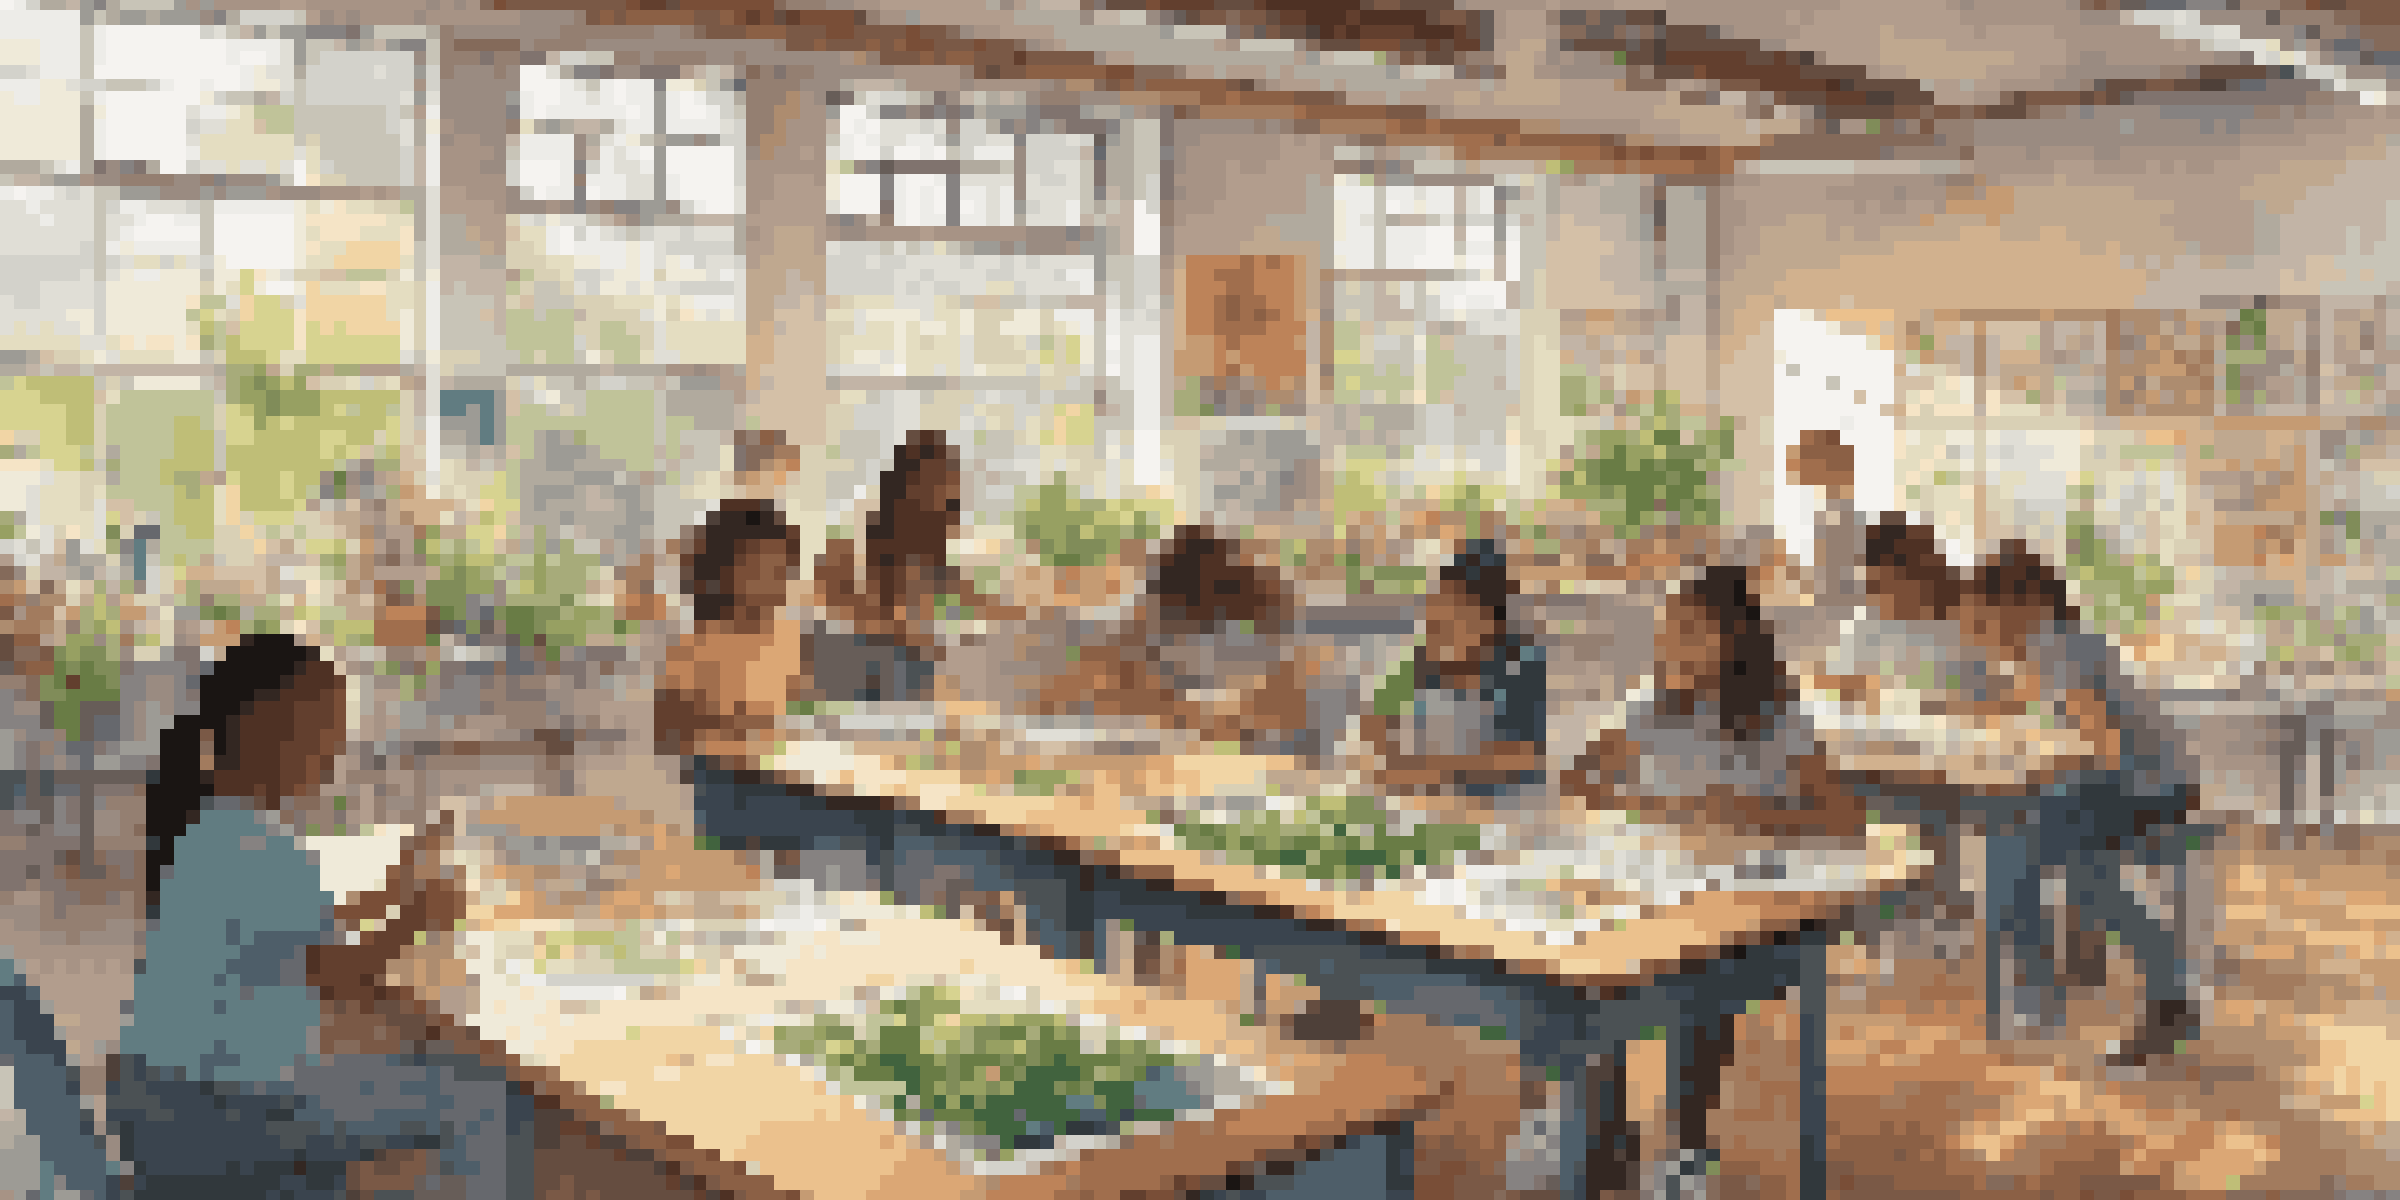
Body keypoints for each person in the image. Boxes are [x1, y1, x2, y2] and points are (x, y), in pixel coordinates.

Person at [112, 633, 531, 1200]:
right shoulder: (267, 849)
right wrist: (414, 919)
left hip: (154, 1114)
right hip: (224, 1125)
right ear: (268, 729)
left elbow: (285, 932)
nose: (334, 751)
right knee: (483, 1100)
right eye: (324, 729)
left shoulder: (208, 827)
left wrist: (394, 891)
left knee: (387, 1062)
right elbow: (345, 981)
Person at [1964, 541, 2203, 1064]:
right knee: (2038, 845)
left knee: (2021, 837)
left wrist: (2031, 766)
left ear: (2019, 602)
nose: (1979, 621)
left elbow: (2102, 745)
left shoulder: (2057, 647)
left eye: (1984, 606)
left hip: (2151, 788)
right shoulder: (2056, 644)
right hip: (2138, 782)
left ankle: (2039, 989)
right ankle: (2056, 986)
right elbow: (2051, 725)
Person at [1567, 563, 1864, 837]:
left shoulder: (1777, 719)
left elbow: (1846, 816)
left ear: (1733, 639)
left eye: (1687, 631)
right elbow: (1579, 777)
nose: (1668, 644)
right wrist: (1665, 808)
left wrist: (1750, 817)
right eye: (1666, 630)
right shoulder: (1655, 712)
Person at [1366, 540, 1548, 798]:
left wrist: (1434, 770)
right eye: (1434, 620)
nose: (1434, 630)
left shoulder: (1519, 667)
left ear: (1491, 623)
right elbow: (1375, 728)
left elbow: (1524, 760)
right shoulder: (1421, 662)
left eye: (1451, 620)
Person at [656, 499, 810, 758]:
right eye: (760, 571)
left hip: (782, 765)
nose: (776, 584)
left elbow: (795, 708)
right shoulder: (694, 650)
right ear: (720, 570)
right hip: (721, 776)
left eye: (782, 571)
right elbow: (671, 738)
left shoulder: (786, 636)